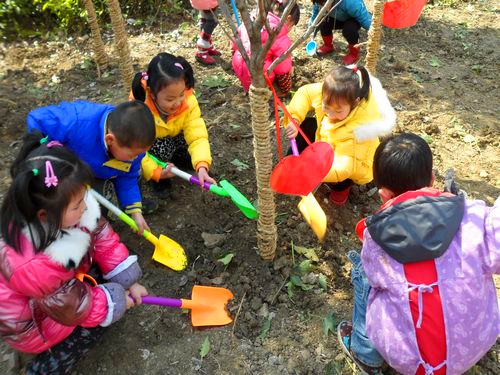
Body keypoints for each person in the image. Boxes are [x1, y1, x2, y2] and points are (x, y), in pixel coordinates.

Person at [338, 133, 500, 375]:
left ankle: (365, 352)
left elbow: (376, 278)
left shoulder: (375, 238)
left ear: (384, 195)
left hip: (411, 363)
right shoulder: (475, 218)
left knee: (363, 272)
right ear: (433, 179)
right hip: (473, 346)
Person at [0, 133, 148, 374]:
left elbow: (101, 235)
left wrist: (127, 279)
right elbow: (75, 306)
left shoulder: (69, 207)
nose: (86, 207)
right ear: (44, 216)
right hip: (35, 322)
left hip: (57, 289)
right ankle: (42, 367)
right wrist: (116, 301)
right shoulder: (31, 262)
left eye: (84, 197)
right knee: (94, 326)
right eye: (78, 205)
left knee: (102, 278)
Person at [27, 100, 155, 233]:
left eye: (140, 154)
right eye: (132, 155)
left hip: (91, 171)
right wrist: (50, 153)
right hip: (64, 171)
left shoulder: (133, 149)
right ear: (110, 140)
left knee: (99, 197)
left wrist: (135, 212)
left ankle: (94, 226)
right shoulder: (75, 123)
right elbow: (36, 118)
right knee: (65, 202)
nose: (135, 158)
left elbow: (127, 177)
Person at [285, 64, 395, 205]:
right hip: (329, 139)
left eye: (338, 111)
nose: (330, 114)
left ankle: (341, 189)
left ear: (354, 103)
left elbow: (342, 168)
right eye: (326, 107)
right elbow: (305, 93)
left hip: (351, 165)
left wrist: (311, 171)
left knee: (343, 178)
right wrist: (295, 119)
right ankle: (293, 162)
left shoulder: (359, 131)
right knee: (305, 126)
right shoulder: (334, 94)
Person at [130, 52, 215, 195]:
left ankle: (180, 158)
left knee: (188, 141)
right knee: (163, 147)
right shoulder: (139, 109)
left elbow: (197, 136)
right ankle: (160, 178)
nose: (177, 102)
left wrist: (201, 165)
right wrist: (154, 171)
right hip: (153, 145)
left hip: (176, 135)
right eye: (170, 99)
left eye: (181, 94)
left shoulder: (188, 101)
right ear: (152, 93)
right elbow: (135, 149)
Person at [232, 0, 300, 95]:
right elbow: (282, 69)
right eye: (292, 25)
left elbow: (235, 43)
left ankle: (247, 87)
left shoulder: (251, 20)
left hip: (239, 67)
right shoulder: (281, 38)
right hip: (259, 77)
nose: (290, 29)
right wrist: (286, 88)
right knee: (281, 68)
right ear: (288, 19)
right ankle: (271, 91)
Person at [311, 0, 372, 64]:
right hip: (337, 18)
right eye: (321, 5)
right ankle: (328, 45)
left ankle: (353, 54)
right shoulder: (318, 2)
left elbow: (365, 19)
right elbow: (315, 18)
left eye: (324, 4)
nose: (324, 7)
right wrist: (312, 34)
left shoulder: (351, 2)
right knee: (323, 21)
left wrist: (374, 32)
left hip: (353, 19)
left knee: (349, 30)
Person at [190, 0, 222, 65]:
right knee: (212, 21)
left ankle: (207, 45)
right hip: (207, 2)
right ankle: (202, 50)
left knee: (205, 18)